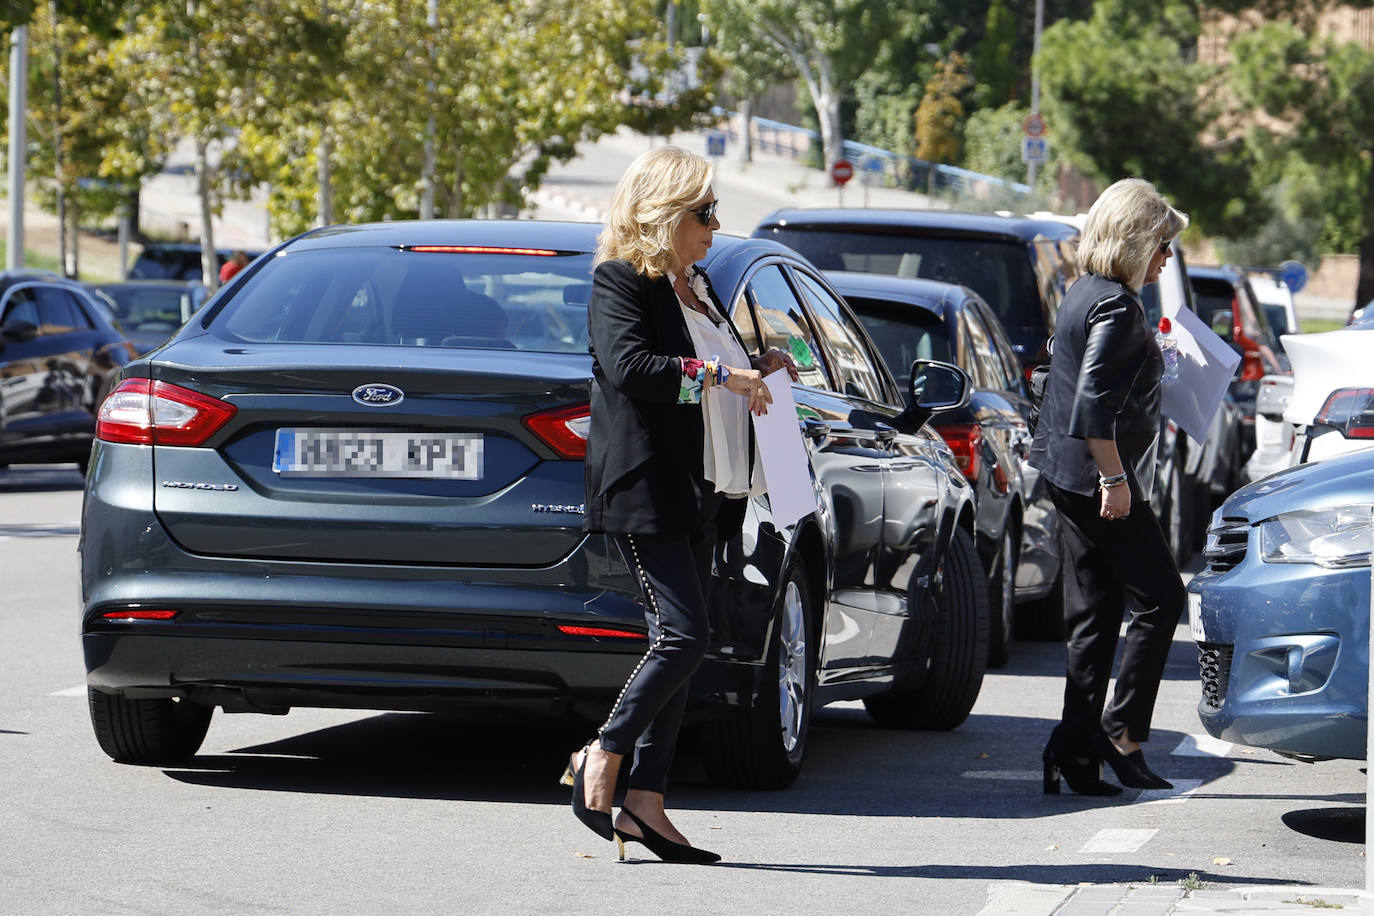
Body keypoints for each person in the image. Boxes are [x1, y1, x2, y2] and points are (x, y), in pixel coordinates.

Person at [564, 146, 797, 863]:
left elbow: (710, 371)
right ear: (663, 212)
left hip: (703, 488)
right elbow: (634, 369)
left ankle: (646, 801)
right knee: (683, 634)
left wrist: (759, 370)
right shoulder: (620, 282)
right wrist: (719, 375)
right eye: (704, 211)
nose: (715, 224)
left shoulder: (692, 286)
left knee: (688, 645)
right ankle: (602, 753)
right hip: (646, 487)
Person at [1028, 178, 1190, 796]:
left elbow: (1070, 376)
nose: (1166, 258)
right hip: (1097, 480)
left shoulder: (1086, 293)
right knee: (1162, 598)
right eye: (1163, 245)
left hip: (1065, 475)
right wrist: (1116, 479)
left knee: (1094, 615)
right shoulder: (1119, 306)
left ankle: (1072, 750)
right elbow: (1092, 401)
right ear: (1136, 240)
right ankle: (1121, 734)